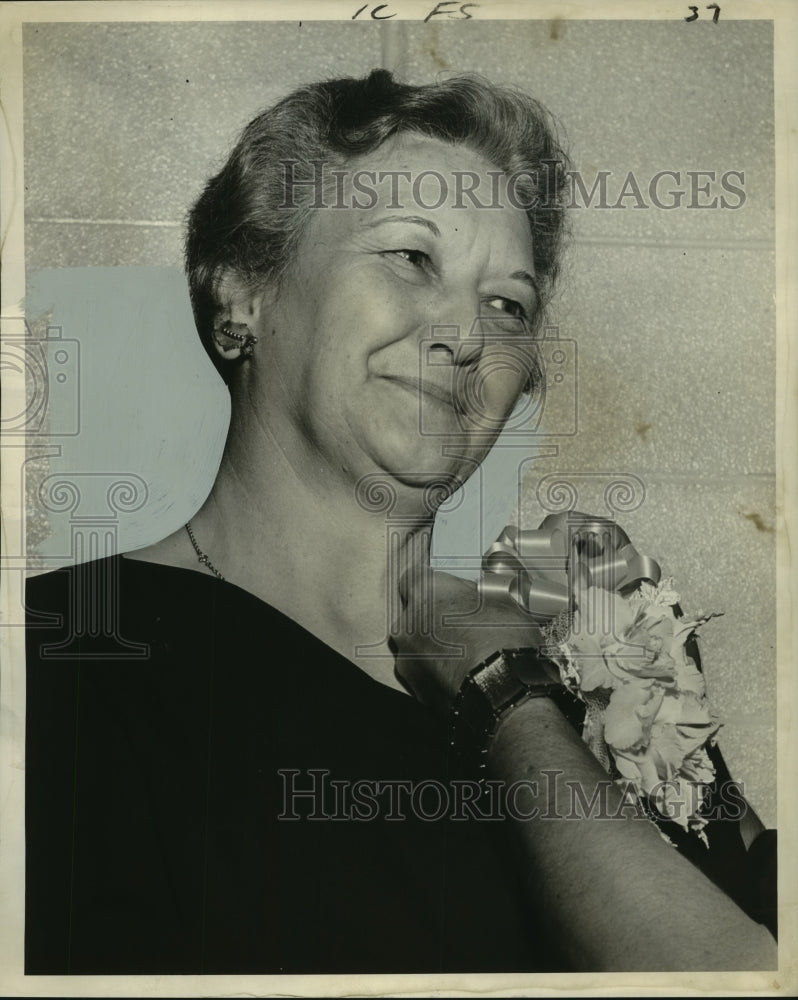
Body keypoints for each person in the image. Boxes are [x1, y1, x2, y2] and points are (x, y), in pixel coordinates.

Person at [25, 69, 776, 975]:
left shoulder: (586, 678)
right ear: (242, 293)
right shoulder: (63, 661)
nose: (467, 334)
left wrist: (513, 691)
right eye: (411, 258)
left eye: (509, 304)